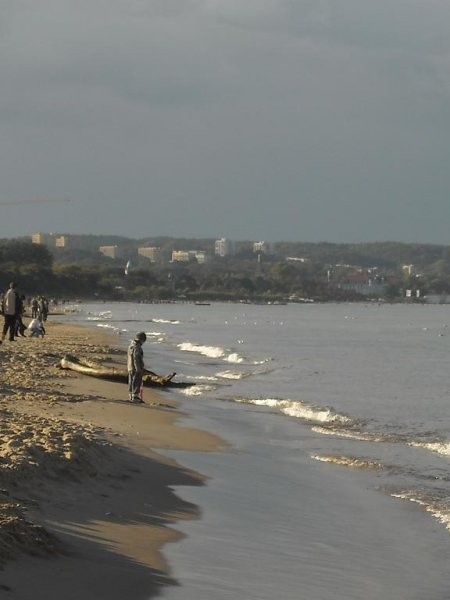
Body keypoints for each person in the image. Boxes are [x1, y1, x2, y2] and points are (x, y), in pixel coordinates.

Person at [127, 331, 147, 403]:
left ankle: (131, 395)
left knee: (131, 381)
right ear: (141, 340)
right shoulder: (137, 347)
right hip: (136, 368)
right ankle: (135, 396)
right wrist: (138, 368)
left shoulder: (131, 345)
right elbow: (136, 358)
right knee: (136, 381)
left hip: (130, 366)